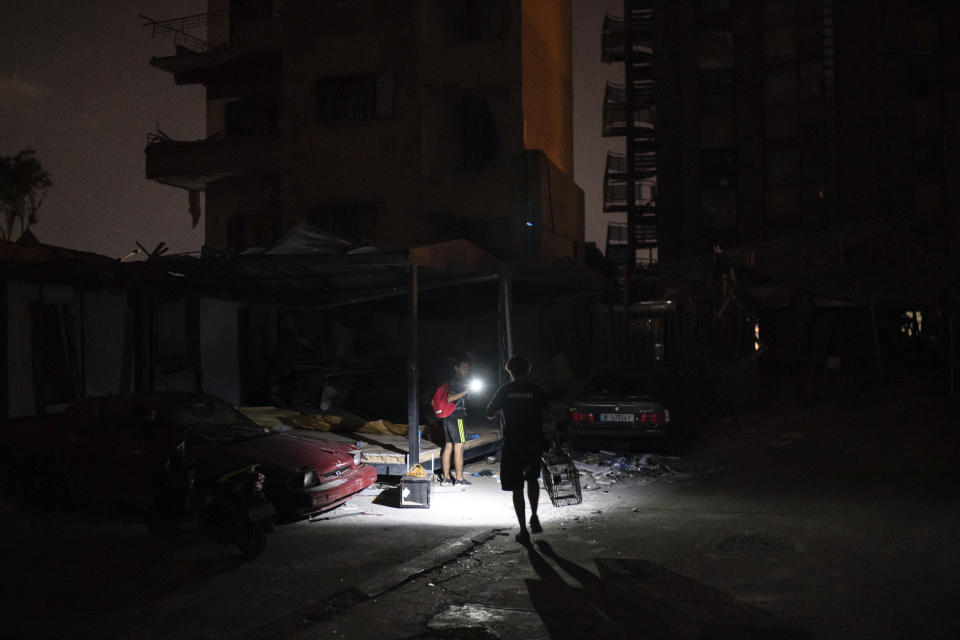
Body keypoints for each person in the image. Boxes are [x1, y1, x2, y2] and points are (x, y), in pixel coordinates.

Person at [486, 355, 556, 544]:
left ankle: (523, 529)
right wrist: (551, 438)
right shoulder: (537, 391)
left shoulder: (505, 390)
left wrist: (496, 408)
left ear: (510, 371)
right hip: (534, 442)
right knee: (532, 479)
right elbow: (547, 418)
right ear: (528, 370)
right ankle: (534, 515)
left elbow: (490, 412)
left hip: (513, 444)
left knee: (516, 487)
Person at [440, 353, 473, 487]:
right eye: (464, 368)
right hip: (457, 417)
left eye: (468, 368)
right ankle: (459, 479)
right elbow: (449, 398)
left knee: (448, 446)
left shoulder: (450, 380)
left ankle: (446, 479)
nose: (467, 370)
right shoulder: (457, 381)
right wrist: (466, 391)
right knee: (459, 447)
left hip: (448, 417)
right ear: (456, 368)